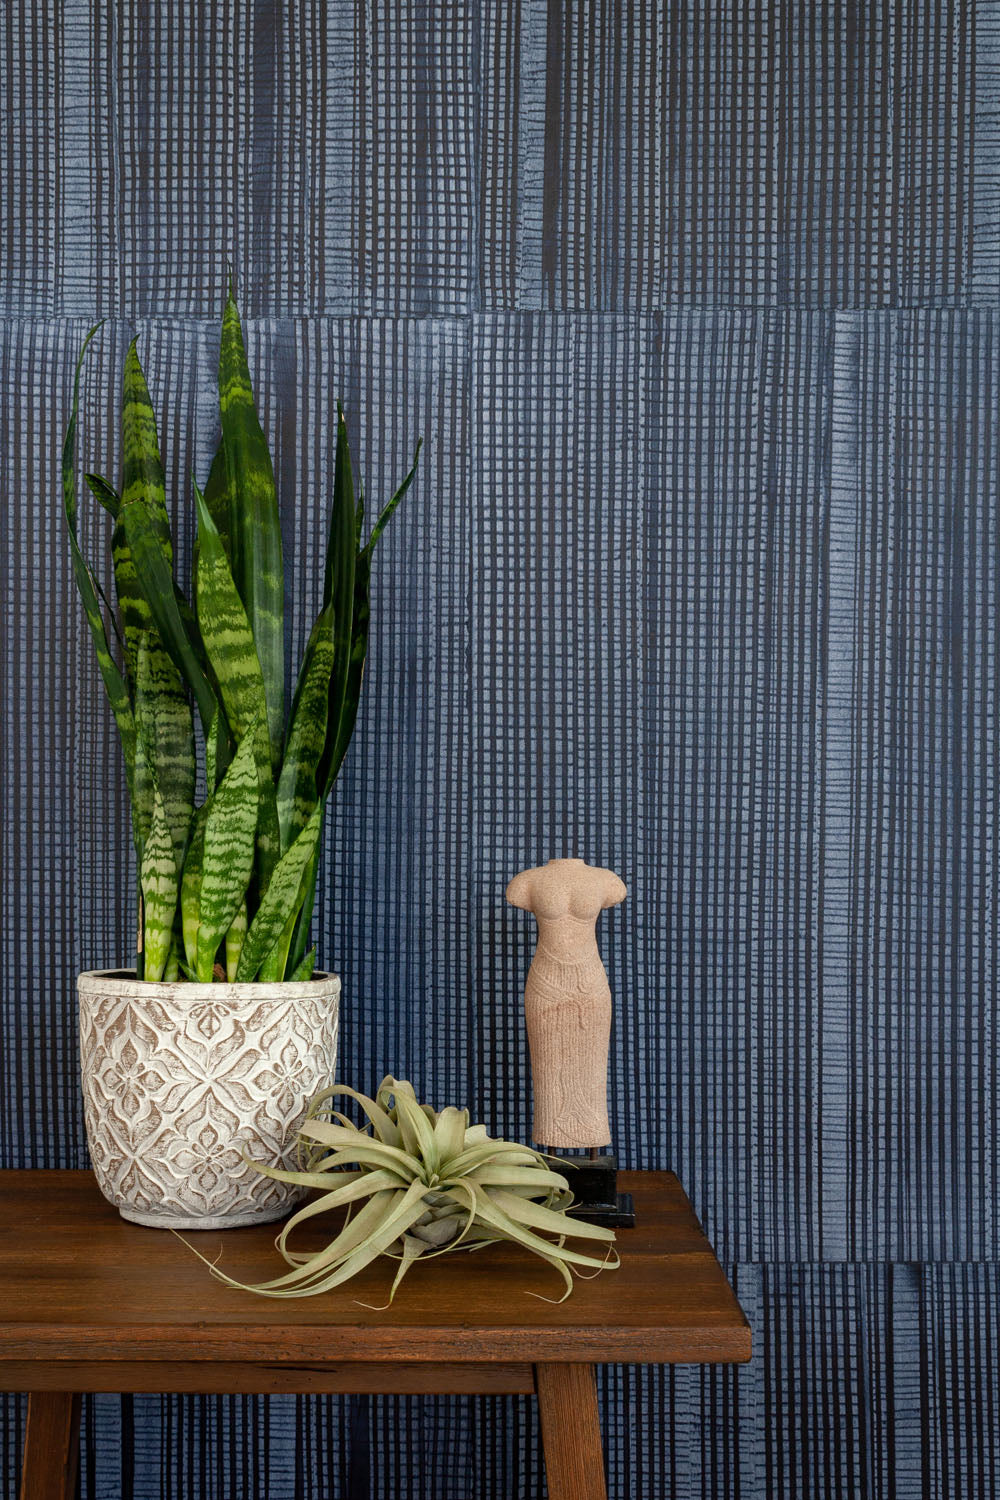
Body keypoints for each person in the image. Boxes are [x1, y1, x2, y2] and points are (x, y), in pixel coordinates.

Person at [506, 859, 627, 1148]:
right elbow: (516, 895)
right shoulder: (527, 881)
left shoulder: (606, 879)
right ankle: (550, 1136)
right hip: (546, 982)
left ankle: (593, 1137)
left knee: (593, 1068)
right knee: (548, 1067)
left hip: (590, 983)